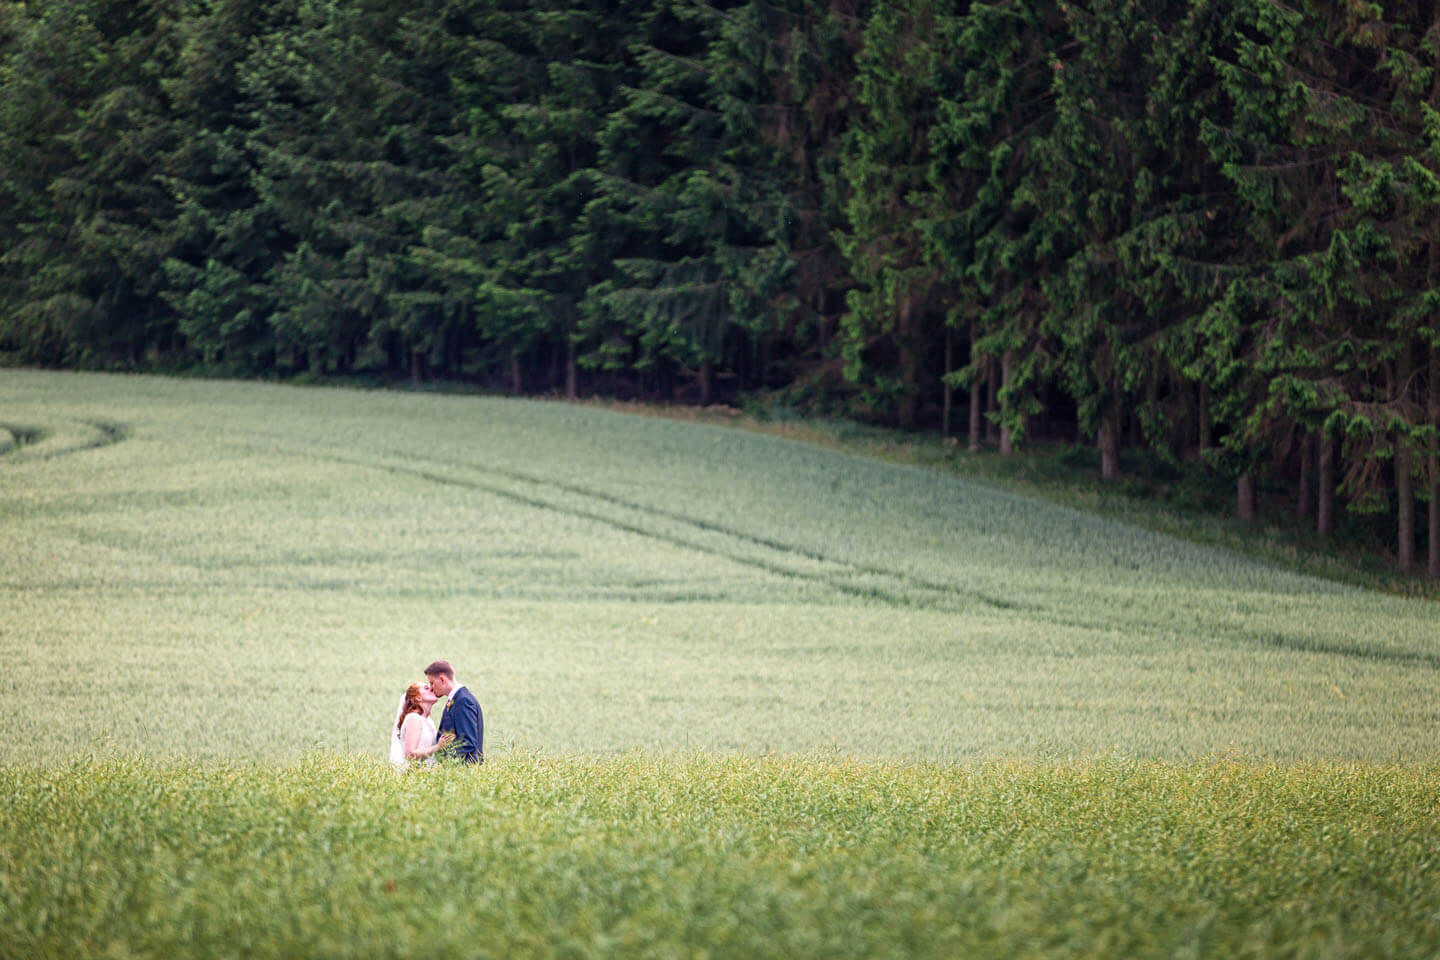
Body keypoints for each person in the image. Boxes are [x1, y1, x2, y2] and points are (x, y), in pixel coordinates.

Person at [425, 659, 483, 764]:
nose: (431, 688)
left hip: (464, 773)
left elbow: (468, 744)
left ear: (442, 679)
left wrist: (447, 765)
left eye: (432, 683)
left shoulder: (463, 701)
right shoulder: (457, 699)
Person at [389, 680, 447, 769]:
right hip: (415, 773)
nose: (431, 688)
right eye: (426, 688)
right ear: (418, 697)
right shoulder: (414, 718)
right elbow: (410, 754)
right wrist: (438, 747)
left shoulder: (428, 720)